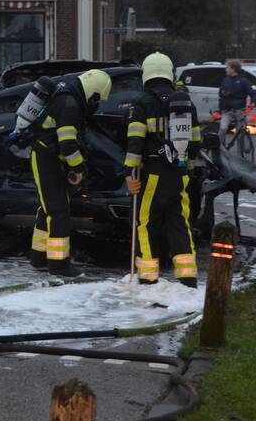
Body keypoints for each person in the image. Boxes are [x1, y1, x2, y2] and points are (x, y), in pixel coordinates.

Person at [124, 53, 202, 286]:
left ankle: (148, 277)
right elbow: (196, 143)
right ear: (170, 73)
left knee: (146, 223)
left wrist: (129, 173)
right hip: (179, 174)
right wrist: (186, 169)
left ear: (146, 74)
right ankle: (187, 276)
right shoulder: (185, 103)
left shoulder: (141, 103)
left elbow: (135, 142)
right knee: (179, 222)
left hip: (153, 173)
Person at [28, 68, 112, 277]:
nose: (96, 104)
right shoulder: (70, 105)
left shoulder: (67, 94)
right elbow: (67, 144)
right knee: (58, 211)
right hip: (46, 158)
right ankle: (58, 264)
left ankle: (38, 257)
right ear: (92, 92)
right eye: (97, 99)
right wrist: (79, 167)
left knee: (48, 208)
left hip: (47, 156)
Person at [218, 60, 256, 148]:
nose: (225, 69)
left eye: (227, 67)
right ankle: (218, 148)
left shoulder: (243, 81)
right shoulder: (225, 80)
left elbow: (252, 93)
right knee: (223, 129)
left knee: (240, 134)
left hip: (239, 111)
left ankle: (240, 156)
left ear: (233, 69)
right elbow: (220, 93)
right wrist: (223, 93)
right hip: (227, 110)